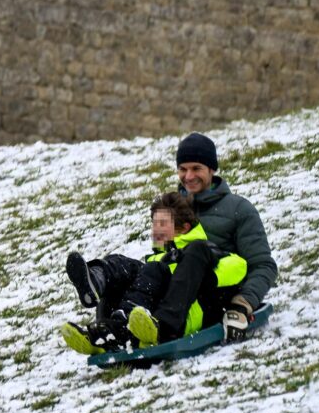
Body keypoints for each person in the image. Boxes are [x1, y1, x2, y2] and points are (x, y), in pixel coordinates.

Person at [127, 132, 278, 346]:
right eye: (183, 169)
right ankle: (111, 329)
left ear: (211, 169)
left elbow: (264, 265)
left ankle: (165, 325)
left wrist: (242, 304)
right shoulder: (171, 209)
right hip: (169, 287)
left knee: (197, 251)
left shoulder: (238, 209)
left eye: (196, 168)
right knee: (124, 268)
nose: (188, 176)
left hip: (212, 295)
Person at [59, 191, 210, 355]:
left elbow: (236, 270)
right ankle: (97, 282)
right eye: (154, 224)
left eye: (162, 224)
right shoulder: (159, 259)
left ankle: (118, 328)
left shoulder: (200, 253)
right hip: (148, 306)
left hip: (175, 314)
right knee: (122, 268)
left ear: (184, 228)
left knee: (152, 269)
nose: (154, 230)